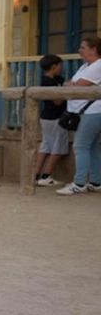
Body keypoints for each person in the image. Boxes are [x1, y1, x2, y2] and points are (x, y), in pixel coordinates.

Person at [56, 35, 101, 195]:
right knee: (93, 147)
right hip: (84, 111)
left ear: (94, 49)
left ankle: (79, 183)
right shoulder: (85, 66)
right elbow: (70, 83)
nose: (79, 51)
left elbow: (79, 85)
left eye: (83, 47)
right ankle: (96, 181)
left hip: (93, 111)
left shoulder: (98, 65)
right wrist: (71, 84)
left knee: (80, 146)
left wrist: (72, 84)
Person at [34, 54, 71, 187]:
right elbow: (57, 101)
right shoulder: (48, 82)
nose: (62, 68)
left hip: (46, 118)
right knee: (58, 147)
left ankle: (36, 175)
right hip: (55, 118)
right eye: (60, 66)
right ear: (53, 66)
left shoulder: (55, 79)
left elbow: (65, 82)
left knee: (46, 146)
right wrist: (67, 91)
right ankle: (46, 175)